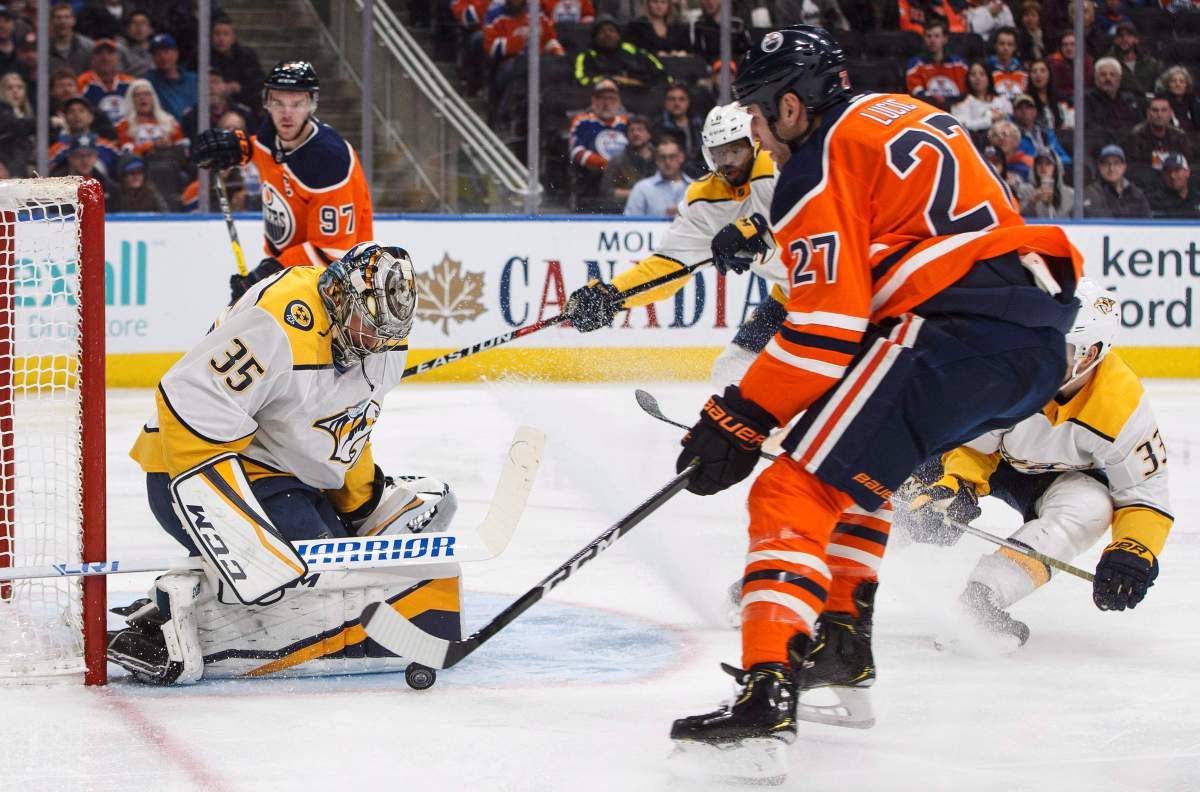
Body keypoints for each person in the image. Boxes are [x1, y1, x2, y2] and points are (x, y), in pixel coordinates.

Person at [664, 27, 1080, 781]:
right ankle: (843, 652)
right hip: (1030, 337)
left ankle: (765, 697)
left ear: (792, 105)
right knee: (857, 476)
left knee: (791, 486)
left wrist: (738, 414)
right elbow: (863, 310)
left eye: (760, 115)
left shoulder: (815, 164)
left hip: (951, 329)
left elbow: (822, 328)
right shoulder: (901, 111)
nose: (758, 133)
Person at [110, 242, 463, 684]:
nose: (379, 343)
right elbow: (187, 401)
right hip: (197, 469)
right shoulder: (277, 321)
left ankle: (206, 602)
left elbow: (347, 428)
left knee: (338, 570)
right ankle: (166, 622)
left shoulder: (382, 338)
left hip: (283, 473)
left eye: (386, 335)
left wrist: (363, 508)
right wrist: (229, 522)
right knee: (301, 579)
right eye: (369, 328)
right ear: (339, 298)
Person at [901, 280, 1172, 646]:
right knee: (902, 492)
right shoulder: (1007, 368)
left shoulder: (1121, 406)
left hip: (1058, 479)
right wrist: (956, 487)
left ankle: (980, 602)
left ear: (1089, 355)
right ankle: (836, 579)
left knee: (1090, 508)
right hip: (979, 453)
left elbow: (1145, 494)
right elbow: (972, 444)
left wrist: (1132, 550)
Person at [192, 61, 375, 301]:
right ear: (267, 102)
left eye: (296, 104)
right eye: (278, 103)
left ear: (311, 104)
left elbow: (332, 251)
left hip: (340, 284)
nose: (286, 114)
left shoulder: (330, 160)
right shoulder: (270, 132)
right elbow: (268, 153)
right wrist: (239, 148)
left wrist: (268, 273)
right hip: (289, 271)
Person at [568, 78, 629, 203]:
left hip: (624, 179)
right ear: (594, 101)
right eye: (602, 98)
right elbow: (576, 151)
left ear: (618, 102)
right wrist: (608, 165)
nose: (606, 103)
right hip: (592, 180)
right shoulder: (583, 121)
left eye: (611, 98)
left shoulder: (626, 123)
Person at [573, 14, 667, 91]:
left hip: (639, 96)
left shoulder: (631, 50)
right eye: (602, 31)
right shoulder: (586, 56)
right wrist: (608, 79)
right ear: (595, 37)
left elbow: (659, 71)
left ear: (618, 35)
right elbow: (581, 80)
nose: (607, 34)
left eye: (611, 30)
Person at [1083, 57, 1143, 157]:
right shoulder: (1087, 99)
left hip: (1131, 148)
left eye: (1112, 75)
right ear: (1096, 78)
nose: (1108, 78)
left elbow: (1140, 124)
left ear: (1119, 78)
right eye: (1103, 75)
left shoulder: (1129, 99)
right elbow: (1090, 126)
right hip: (1100, 148)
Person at [905, 20, 967, 111]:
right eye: (928, 36)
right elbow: (918, 95)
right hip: (929, 111)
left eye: (937, 36)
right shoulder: (915, 65)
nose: (932, 40)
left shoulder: (959, 64)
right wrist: (945, 101)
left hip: (961, 110)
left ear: (945, 39)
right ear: (924, 39)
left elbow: (968, 92)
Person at [600, 113, 656, 210]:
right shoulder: (617, 161)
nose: (635, 133)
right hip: (626, 210)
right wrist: (637, 194)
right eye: (631, 130)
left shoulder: (661, 158)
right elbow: (606, 191)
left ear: (649, 134)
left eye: (640, 130)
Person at [624, 136, 690, 215]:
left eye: (672, 157)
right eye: (663, 157)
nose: (667, 162)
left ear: (681, 157)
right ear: (656, 159)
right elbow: (629, 224)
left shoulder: (695, 187)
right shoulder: (642, 188)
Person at [211, 16, 266, 111]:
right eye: (217, 34)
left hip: (244, 102)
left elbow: (258, 82)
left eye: (225, 34)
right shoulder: (205, 57)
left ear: (233, 37)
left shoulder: (247, 56)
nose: (221, 38)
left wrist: (239, 87)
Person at [1126, 95, 1192, 173]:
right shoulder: (1136, 136)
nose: (1159, 115)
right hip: (1147, 180)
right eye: (1155, 110)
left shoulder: (1180, 136)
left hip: (1174, 178)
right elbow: (1134, 168)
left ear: (1170, 113)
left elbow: (1188, 163)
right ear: (1148, 113)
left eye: (1164, 110)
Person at [77, 37, 134, 126]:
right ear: (92, 59)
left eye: (110, 53)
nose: (105, 57)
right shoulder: (82, 82)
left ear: (117, 58)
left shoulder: (131, 83)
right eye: (99, 53)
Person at [1084, 144, 1151, 218]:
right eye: (1106, 163)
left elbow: (1148, 224)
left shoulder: (1136, 194)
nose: (1111, 168)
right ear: (1100, 167)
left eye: (1116, 163)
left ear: (1124, 166)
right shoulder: (1091, 193)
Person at [951, 60, 1013, 140]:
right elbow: (961, 126)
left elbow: (1012, 121)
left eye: (982, 74)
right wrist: (989, 120)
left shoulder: (1002, 99)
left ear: (988, 78)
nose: (978, 77)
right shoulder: (960, 102)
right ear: (968, 79)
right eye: (973, 74)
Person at [656, 83, 706, 178]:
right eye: (672, 99)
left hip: (700, 177)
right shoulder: (658, 127)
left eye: (681, 99)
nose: (677, 103)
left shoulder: (700, 125)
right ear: (665, 102)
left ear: (688, 102)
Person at [146, 33, 197, 122]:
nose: (162, 57)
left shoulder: (193, 79)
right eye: (157, 54)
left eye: (166, 51)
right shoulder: (149, 82)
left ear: (176, 53)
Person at [688, 0, 753, 68]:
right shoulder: (699, 26)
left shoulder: (738, 24)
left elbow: (748, 53)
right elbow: (696, 56)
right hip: (709, 72)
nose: (708, 2)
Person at [1012, 93, 1070, 166]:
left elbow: (1066, 159)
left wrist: (1050, 161)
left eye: (1028, 107)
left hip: (1050, 171)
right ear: (1014, 113)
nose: (1024, 111)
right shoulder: (1012, 135)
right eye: (1019, 108)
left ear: (1034, 112)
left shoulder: (1047, 133)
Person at [1106, 22, 1160, 98]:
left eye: (1129, 35)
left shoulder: (1150, 62)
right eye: (1120, 36)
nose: (1124, 39)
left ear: (1136, 39)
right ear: (1115, 40)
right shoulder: (1108, 64)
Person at [624, 0, 690, 56]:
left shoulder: (678, 27)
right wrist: (654, 53)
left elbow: (688, 49)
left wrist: (680, 53)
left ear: (669, 5)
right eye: (655, 2)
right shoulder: (636, 26)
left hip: (676, 66)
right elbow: (631, 49)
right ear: (648, 4)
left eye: (663, 2)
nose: (659, 6)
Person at [0, 71, 35, 177]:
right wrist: (49, 122)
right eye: (9, 88)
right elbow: (18, 126)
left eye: (19, 87)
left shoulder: (29, 115)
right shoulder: (3, 115)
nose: (15, 91)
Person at [1021, 150, 1074, 218]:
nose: (1043, 167)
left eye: (1048, 163)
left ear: (1056, 168)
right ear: (1034, 167)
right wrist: (1032, 203)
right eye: (1039, 163)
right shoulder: (1025, 191)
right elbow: (1020, 218)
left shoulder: (1069, 194)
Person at [49, 1, 95, 75]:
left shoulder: (88, 47)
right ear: (51, 21)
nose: (62, 21)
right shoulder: (44, 49)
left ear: (73, 20)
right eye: (58, 17)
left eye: (66, 17)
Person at [1149, 153, 1200, 218]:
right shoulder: (1155, 202)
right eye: (1168, 172)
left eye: (1177, 170)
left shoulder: (1197, 198)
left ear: (1187, 172)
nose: (1172, 176)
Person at [1027, 58, 1071, 132]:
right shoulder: (1026, 99)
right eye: (1034, 71)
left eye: (1042, 71)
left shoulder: (1060, 97)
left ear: (1049, 74)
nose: (1038, 74)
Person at [1047, 31, 1092, 103]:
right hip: (1062, 101)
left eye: (1072, 44)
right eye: (1065, 45)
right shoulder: (1053, 63)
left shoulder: (1088, 62)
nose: (1069, 48)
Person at [986, 26, 1027, 100]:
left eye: (1010, 44)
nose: (1006, 48)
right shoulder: (986, 68)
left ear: (1015, 47)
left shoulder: (1022, 70)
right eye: (1002, 44)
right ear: (995, 45)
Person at [122, 9, 154, 77]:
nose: (139, 27)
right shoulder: (121, 49)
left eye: (143, 23)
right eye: (134, 23)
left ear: (151, 29)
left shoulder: (157, 49)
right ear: (128, 29)